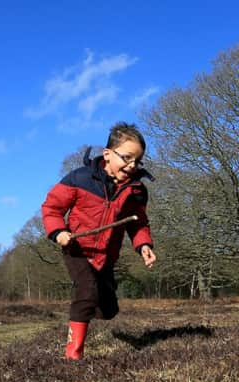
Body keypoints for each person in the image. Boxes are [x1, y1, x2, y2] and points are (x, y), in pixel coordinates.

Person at [41, 122, 157, 360]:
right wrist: (59, 232)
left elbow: (138, 223)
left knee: (108, 308)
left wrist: (143, 245)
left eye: (137, 161)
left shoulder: (136, 191)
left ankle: (94, 307)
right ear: (107, 154)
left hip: (106, 254)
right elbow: (51, 208)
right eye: (126, 158)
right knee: (87, 291)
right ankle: (73, 356)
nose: (132, 165)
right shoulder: (79, 178)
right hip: (77, 249)